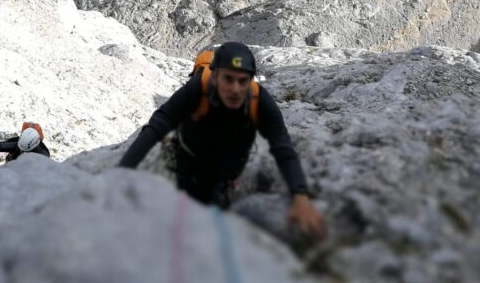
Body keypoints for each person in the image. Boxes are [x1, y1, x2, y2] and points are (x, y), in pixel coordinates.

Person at [118, 42, 326, 239]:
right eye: (228, 79)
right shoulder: (197, 88)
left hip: (224, 173)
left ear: (251, 80)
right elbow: (157, 127)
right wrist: (122, 173)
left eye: (242, 80)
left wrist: (300, 195)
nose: (235, 88)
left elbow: (282, 146)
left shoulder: (259, 100)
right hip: (188, 168)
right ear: (215, 76)